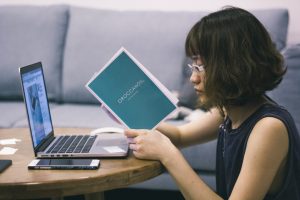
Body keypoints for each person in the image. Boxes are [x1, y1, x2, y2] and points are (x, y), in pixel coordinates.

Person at [125, 6, 300, 200]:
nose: (193, 78)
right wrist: (134, 114)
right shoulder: (228, 110)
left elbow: (174, 145)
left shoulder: (268, 127)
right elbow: (181, 135)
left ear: (234, 66)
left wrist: (169, 155)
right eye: (194, 65)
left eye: (201, 67)